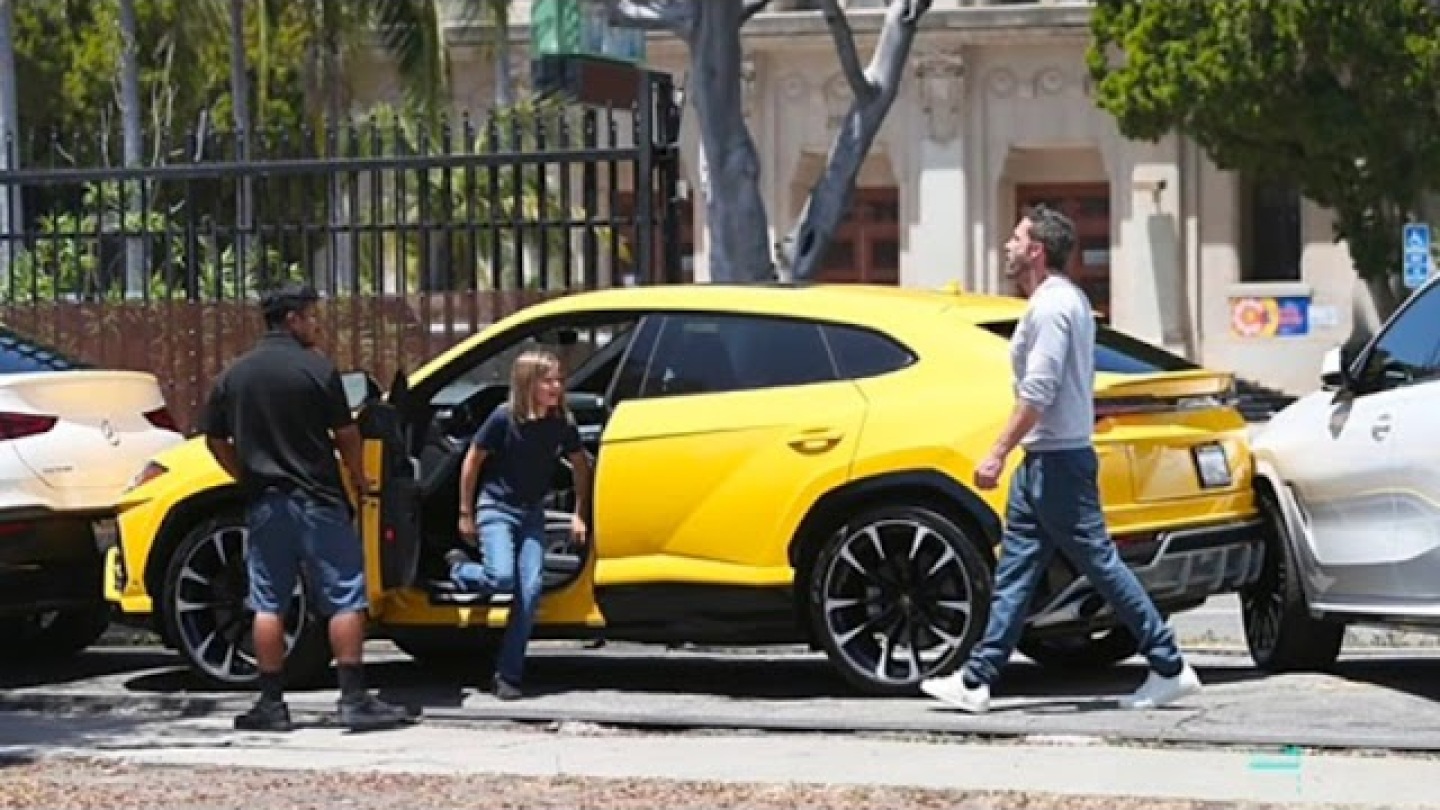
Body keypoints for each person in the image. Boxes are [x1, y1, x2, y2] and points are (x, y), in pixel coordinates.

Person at [921, 205, 1202, 713]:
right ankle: (978, 680)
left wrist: (997, 451)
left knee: (1099, 562)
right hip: (1047, 460)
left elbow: (1040, 389)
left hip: (1057, 462)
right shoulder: (1066, 302)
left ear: (1036, 250)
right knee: (1017, 569)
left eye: (1015, 238)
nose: (1006, 246)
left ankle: (1168, 663)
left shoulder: (1052, 309)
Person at [200, 282, 412, 732]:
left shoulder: (234, 376)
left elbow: (214, 439)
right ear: (292, 319)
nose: (317, 324)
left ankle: (271, 703)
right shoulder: (317, 371)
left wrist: (244, 473)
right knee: (344, 597)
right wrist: (357, 473)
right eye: (312, 316)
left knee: (268, 603)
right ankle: (354, 698)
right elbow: (347, 434)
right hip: (318, 501)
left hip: (265, 504)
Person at [445, 349, 593, 700]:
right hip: (496, 507)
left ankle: (507, 674)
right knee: (502, 578)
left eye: (559, 379)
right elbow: (472, 460)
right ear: (529, 384)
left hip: (531, 513)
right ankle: (460, 572)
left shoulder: (562, 422)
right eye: (548, 380)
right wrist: (465, 512)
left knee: (529, 592)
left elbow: (581, 467)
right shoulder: (503, 419)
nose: (556, 387)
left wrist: (579, 512)